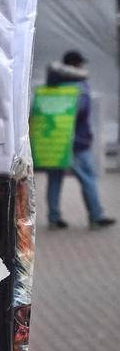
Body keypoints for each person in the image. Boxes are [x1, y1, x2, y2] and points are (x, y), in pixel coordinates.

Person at [45, 50, 115, 229]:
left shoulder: (51, 84)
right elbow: (81, 110)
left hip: (55, 139)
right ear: (76, 65)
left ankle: (53, 218)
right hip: (77, 141)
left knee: (55, 179)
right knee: (88, 178)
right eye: (81, 63)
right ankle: (96, 216)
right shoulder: (80, 86)